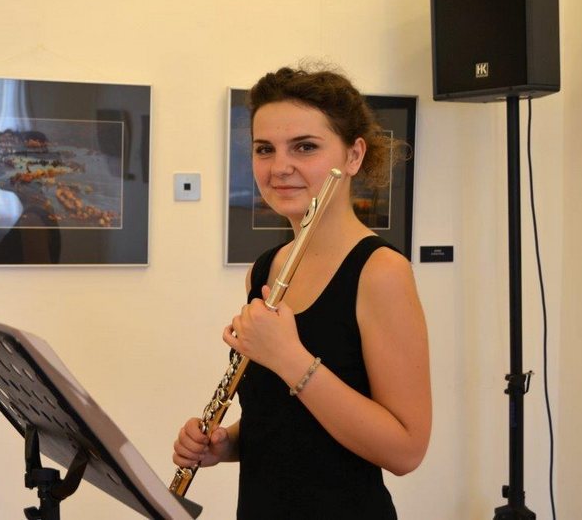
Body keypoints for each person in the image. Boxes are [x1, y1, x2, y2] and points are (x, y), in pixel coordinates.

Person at [172, 64, 432, 519]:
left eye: (305, 147)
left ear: (353, 156)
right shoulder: (264, 270)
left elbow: (406, 450)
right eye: (264, 149)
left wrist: (289, 358)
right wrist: (226, 443)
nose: (280, 167)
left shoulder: (380, 271)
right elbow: (286, 422)